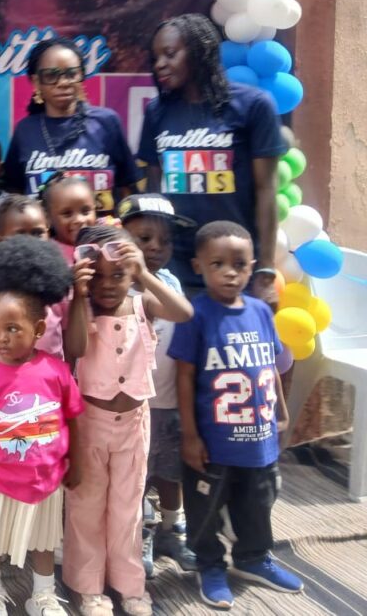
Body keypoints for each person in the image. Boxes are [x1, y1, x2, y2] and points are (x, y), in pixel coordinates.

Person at [171, 221, 303, 610]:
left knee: (257, 502)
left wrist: (281, 412)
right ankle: (210, 565)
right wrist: (190, 436)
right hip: (214, 441)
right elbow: (184, 376)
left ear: (252, 267)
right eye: (218, 264)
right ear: (198, 266)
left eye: (240, 264)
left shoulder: (260, 311)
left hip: (258, 436)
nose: (230, 272)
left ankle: (254, 557)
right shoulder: (195, 315)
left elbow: (271, 367)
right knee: (205, 509)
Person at [62, 226, 193, 616]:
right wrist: (78, 296)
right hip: (90, 426)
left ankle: (130, 585)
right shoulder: (82, 309)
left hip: (135, 424)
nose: (107, 284)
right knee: (86, 507)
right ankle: (87, 587)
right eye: (97, 276)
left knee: (128, 506)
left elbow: (184, 312)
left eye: (117, 274)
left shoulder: (143, 304)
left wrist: (144, 274)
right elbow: (75, 348)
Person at [0, 235, 83, 616]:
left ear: (39, 330)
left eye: (13, 328)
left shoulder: (55, 371)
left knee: (44, 540)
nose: (2, 338)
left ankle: (42, 595)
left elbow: (72, 419)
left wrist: (75, 463)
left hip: (45, 479)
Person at [139, 14, 287, 303]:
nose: (159, 64)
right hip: (174, 267)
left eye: (170, 54)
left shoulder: (253, 105)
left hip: (232, 267)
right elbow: (154, 192)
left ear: (199, 51)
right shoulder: (157, 111)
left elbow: (266, 190)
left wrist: (266, 269)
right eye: (155, 58)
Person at [118, 194, 199, 573]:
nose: (155, 247)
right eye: (144, 238)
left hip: (169, 399)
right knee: (139, 475)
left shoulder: (169, 282)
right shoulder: (116, 286)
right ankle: (141, 534)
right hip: (135, 405)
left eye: (165, 241)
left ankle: (171, 529)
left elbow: (183, 317)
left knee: (171, 471)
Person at [4, 37, 141, 215]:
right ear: (36, 82)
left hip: (100, 231)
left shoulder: (107, 122)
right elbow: (14, 193)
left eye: (71, 74)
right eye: (51, 76)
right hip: (43, 233)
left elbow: (127, 188)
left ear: (81, 76)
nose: (63, 82)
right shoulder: (25, 130)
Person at [0, 195, 73, 361]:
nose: (30, 243)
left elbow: (68, 336)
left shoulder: (59, 284)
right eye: (20, 235)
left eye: (37, 233)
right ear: (0, 241)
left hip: (51, 374)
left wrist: (64, 372)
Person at [39, 172, 99, 263]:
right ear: (48, 218)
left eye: (85, 212)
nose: (79, 220)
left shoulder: (104, 243)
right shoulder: (48, 254)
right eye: (67, 213)